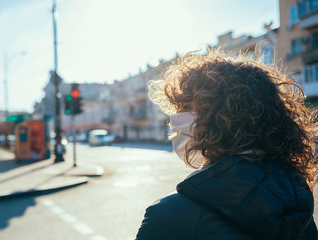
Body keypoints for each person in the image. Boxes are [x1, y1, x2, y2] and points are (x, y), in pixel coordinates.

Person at [135, 48, 318, 240]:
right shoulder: (296, 204)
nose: (175, 118)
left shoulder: (169, 216)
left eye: (187, 107)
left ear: (228, 117)